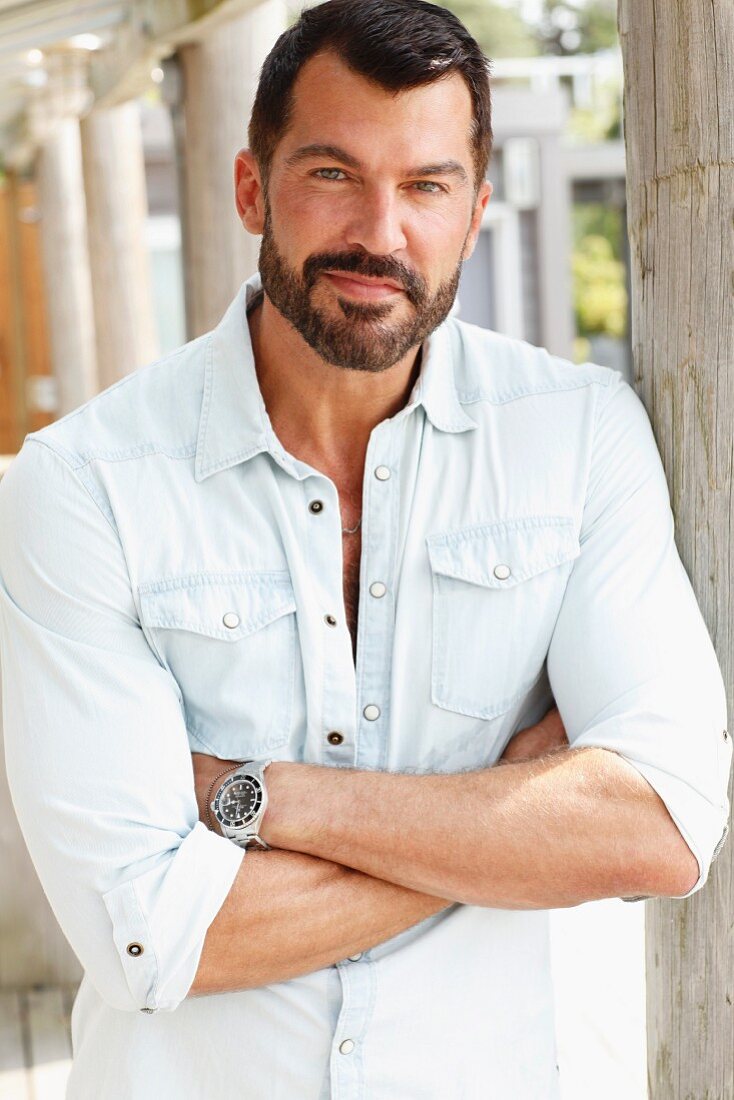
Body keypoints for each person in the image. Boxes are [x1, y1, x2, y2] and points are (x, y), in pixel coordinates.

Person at [0, 0, 730, 1096]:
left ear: (476, 211)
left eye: (426, 185)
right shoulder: (82, 484)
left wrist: (256, 797)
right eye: (333, 173)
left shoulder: (575, 438)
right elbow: (149, 936)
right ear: (252, 186)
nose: (380, 234)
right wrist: (506, 809)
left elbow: (660, 826)